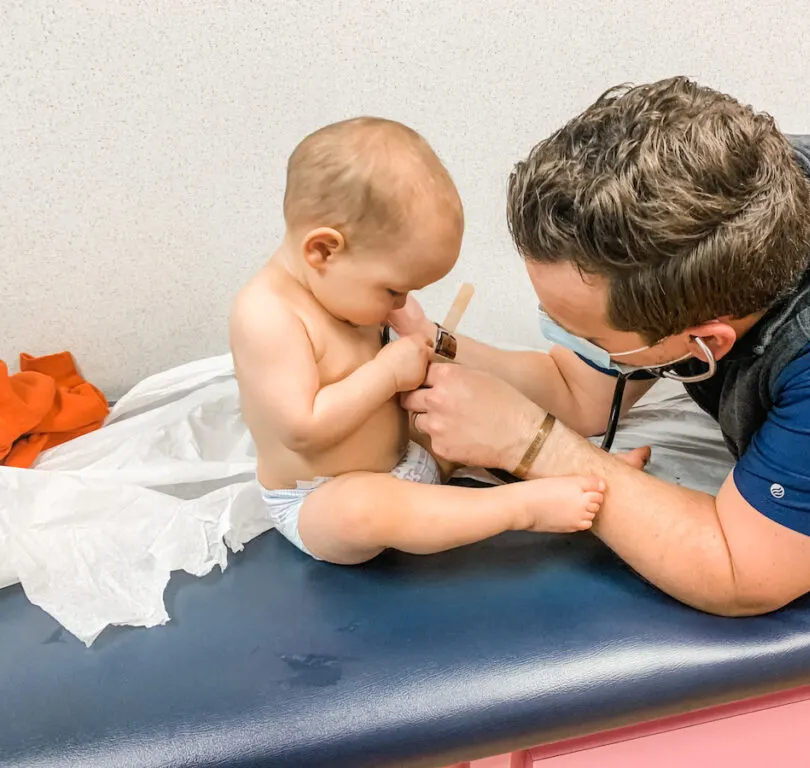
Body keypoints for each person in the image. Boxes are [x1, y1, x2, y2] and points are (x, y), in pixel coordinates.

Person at [394, 77, 810, 615]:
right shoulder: (742, 196)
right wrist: (436, 343)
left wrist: (528, 443)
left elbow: (736, 572)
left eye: (589, 332)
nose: (565, 334)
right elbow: (583, 391)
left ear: (705, 339)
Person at [229, 117, 607, 565]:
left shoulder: (342, 288)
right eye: (393, 290)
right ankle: (522, 509)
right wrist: (387, 372)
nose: (402, 301)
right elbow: (302, 430)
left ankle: (589, 474)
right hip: (320, 496)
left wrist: (417, 337)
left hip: (409, 456)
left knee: (471, 416)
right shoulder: (267, 314)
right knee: (362, 509)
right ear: (323, 251)